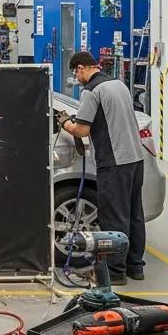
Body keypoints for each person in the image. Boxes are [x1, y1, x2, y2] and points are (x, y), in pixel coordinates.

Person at [58, 52, 146, 284]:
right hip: (136, 159)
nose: (76, 78)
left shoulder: (91, 91)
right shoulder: (118, 84)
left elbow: (81, 130)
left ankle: (115, 273)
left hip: (114, 161)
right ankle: (135, 267)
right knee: (134, 214)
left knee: (114, 217)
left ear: (80, 68)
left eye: (75, 73)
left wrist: (64, 122)